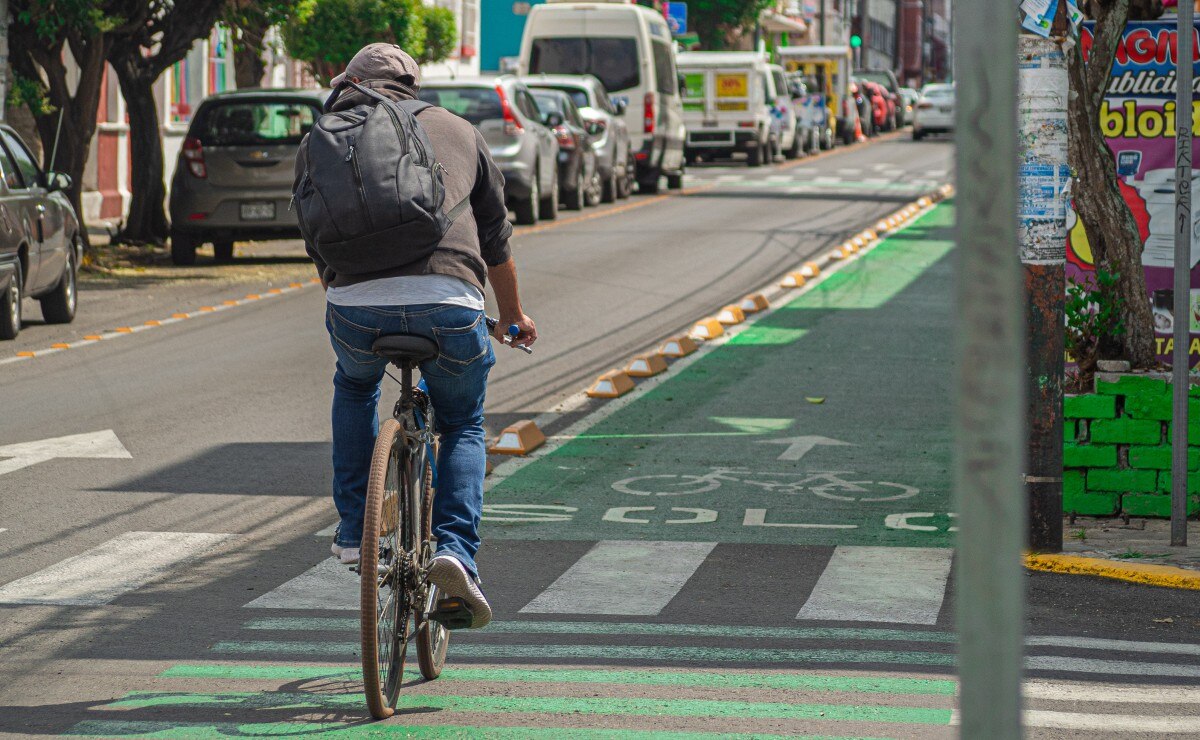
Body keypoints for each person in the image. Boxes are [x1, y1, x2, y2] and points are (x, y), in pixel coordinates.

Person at [295, 43, 536, 629]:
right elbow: (496, 239)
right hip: (449, 305)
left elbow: (311, 230)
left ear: (348, 82)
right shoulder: (457, 130)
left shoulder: (322, 136)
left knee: (354, 389)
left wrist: (343, 291)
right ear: (413, 87)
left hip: (353, 307)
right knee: (463, 422)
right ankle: (455, 551)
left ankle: (355, 532)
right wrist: (512, 316)